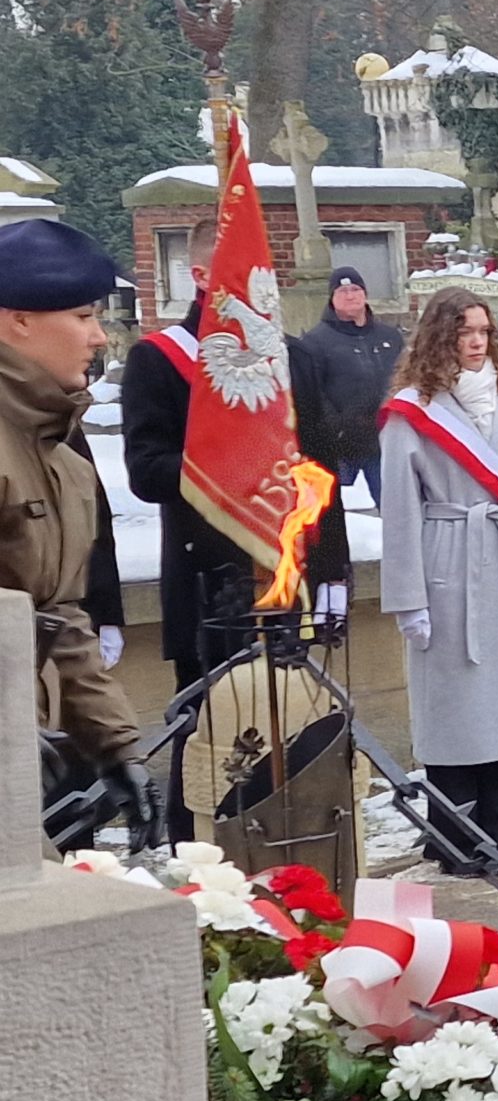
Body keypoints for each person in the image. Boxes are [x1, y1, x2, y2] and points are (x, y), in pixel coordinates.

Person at [122, 218, 350, 838]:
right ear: (201, 276)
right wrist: (233, 460)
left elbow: (322, 469)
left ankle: (295, 854)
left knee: (294, 731)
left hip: (286, 576)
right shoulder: (160, 358)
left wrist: (332, 575)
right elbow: (146, 470)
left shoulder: (293, 356)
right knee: (210, 738)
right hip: (209, 584)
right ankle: (198, 856)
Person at [379, 288, 498, 872]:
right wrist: (408, 598)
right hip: (447, 559)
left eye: (484, 331)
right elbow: (399, 509)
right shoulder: (413, 410)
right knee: (455, 710)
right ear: (441, 338)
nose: (477, 343)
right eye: (464, 333)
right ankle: (454, 838)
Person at [0, 219, 159, 844]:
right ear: (18, 321)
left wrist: (116, 747)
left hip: (27, 755)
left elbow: (59, 617)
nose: (99, 336)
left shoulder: (60, 454)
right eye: (82, 316)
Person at [303, 266, 405, 506]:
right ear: (332, 298)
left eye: (355, 289)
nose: (350, 296)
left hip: (385, 442)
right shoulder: (315, 342)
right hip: (341, 447)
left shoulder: (390, 337)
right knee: (334, 510)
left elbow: (406, 377)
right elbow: (312, 392)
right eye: (342, 291)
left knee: (394, 507)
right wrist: (335, 428)